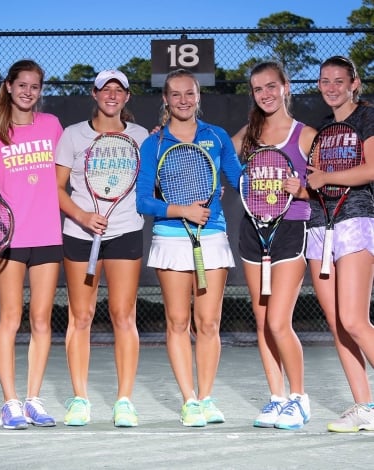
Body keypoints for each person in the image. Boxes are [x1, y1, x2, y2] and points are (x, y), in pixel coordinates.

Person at [136, 68, 241, 427]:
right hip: (170, 238)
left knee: (209, 322)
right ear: (165, 99)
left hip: (212, 236)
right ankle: (189, 401)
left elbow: (239, 179)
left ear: (199, 97)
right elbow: (143, 202)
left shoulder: (218, 136)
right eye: (176, 94)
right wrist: (181, 210)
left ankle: (207, 397)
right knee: (178, 321)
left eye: (190, 93)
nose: (183, 100)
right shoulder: (154, 143)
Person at [55, 70, 148, 427]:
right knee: (81, 317)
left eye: (118, 90)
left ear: (127, 97)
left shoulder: (141, 137)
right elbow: (58, 188)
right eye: (105, 89)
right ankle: (80, 399)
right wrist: (82, 215)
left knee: (124, 316)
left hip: (125, 230)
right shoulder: (72, 135)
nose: (112, 95)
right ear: (94, 94)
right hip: (80, 234)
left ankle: (124, 400)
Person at [232, 61, 316, 430]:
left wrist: (302, 189)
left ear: (286, 87)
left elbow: (326, 187)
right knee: (264, 321)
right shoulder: (247, 135)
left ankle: (299, 398)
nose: (265, 94)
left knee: (280, 321)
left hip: (291, 229)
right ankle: (276, 398)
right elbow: (211, 152)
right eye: (257, 89)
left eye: (271, 86)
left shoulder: (305, 135)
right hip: (254, 229)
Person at [0, 60, 63, 430]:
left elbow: (73, 166)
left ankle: (33, 399)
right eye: (22, 85)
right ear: (9, 87)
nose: (28, 92)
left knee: (42, 320)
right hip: (9, 239)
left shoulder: (52, 127)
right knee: (10, 319)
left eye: (35, 86)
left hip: (48, 236)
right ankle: (10, 403)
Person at [305, 56, 374, 433]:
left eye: (338, 81)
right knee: (337, 324)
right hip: (319, 225)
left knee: (354, 320)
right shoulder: (322, 129)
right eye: (324, 81)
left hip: (356, 221)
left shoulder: (367, 117)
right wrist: (299, 188)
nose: (331, 87)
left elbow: (371, 169)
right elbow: (315, 183)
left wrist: (326, 176)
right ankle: (365, 407)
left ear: (354, 83)